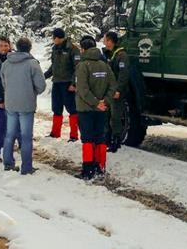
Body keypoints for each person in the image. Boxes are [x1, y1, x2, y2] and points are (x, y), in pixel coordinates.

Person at [0, 37, 46, 174]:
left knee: (9, 134)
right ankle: (26, 167)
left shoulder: (6, 63)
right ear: (30, 48)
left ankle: (8, 163)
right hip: (26, 104)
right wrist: (31, 92)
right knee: (26, 136)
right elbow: (41, 85)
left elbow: (3, 82)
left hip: (10, 103)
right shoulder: (32, 64)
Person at [74, 36, 117, 179]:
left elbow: (82, 89)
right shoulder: (105, 65)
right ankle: (101, 166)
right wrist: (105, 101)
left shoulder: (82, 66)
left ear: (83, 49)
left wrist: (95, 102)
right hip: (102, 109)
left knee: (87, 139)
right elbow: (113, 85)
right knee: (100, 138)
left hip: (86, 109)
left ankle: (88, 170)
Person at [43, 28, 81, 142]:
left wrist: (74, 83)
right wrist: (44, 76)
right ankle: (55, 133)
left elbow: (77, 68)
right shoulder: (55, 49)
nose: (53, 40)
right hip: (57, 82)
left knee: (72, 109)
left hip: (68, 84)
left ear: (58, 38)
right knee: (56, 108)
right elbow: (53, 66)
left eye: (53, 38)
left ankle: (74, 135)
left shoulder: (73, 49)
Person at [103, 30, 130, 152]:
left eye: (106, 40)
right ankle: (107, 138)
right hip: (109, 90)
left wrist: (118, 90)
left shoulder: (121, 55)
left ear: (111, 41)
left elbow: (123, 75)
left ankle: (116, 140)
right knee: (107, 115)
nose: (104, 42)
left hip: (116, 91)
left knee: (115, 117)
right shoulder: (108, 54)